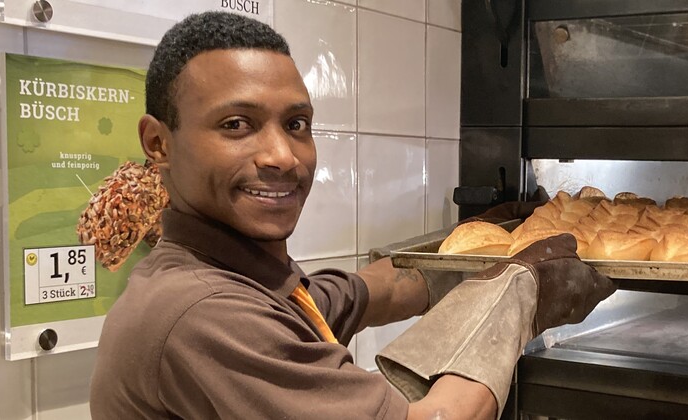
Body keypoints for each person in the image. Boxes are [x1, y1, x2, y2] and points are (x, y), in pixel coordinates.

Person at [88, 11, 615, 420]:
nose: (282, 156)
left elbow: (376, 291)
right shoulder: (204, 314)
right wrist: (521, 296)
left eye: (296, 123)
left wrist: (487, 237)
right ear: (158, 143)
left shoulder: (247, 282)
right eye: (236, 124)